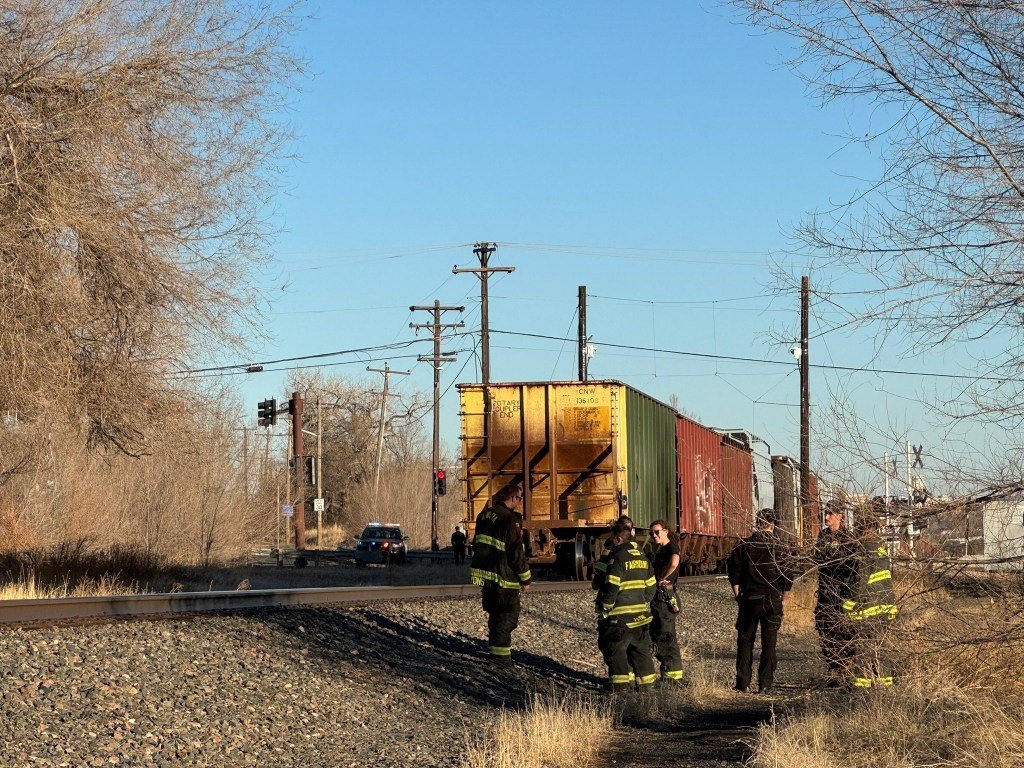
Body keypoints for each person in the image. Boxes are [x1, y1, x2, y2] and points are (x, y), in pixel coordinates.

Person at [726, 509, 794, 694]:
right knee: (769, 643)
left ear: (757, 523)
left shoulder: (744, 546)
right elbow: (787, 576)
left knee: (745, 640)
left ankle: (743, 683)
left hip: (750, 599)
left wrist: (737, 594)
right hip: (772, 599)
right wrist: (784, 598)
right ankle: (765, 684)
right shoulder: (780, 547)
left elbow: (734, 572)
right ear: (773, 525)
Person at [470, 482, 532, 666]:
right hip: (504, 577)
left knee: (495, 615)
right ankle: (500, 659)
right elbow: (515, 552)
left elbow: (477, 544)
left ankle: (497, 654)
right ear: (512, 498)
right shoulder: (508, 519)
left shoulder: (484, 515)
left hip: (486, 576)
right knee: (507, 617)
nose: (519, 502)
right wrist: (525, 577)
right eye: (519, 499)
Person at [593, 522, 658, 691]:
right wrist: (641, 600)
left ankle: (621, 690)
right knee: (641, 653)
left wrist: (606, 606)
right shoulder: (643, 558)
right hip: (640, 617)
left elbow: (611, 587)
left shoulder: (618, 558)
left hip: (619, 619)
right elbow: (651, 586)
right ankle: (648, 689)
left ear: (618, 538)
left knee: (617, 652)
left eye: (612, 539)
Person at [843, 517, 898, 689]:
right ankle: (885, 686)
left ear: (860, 530)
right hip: (886, 606)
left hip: (869, 608)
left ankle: (862, 687)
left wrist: (847, 606)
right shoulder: (881, 550)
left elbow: (859, 583)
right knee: (882, 649)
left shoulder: (864, 551)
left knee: (863, 649)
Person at [812, 501, 860, 684]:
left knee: (842, 634)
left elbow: (850, 567)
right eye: (825, 513)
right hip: (825, 594)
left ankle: (844, 671)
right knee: (824, 632)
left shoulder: (848, 539)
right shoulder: (823, 536)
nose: (826, 518)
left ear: (840, 515)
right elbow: (817, 558)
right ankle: (833, 668)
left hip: (841, 596)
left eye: (830, 514)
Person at [645, 520, 683, 682]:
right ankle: (667, 674)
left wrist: (663, 579)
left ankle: (673, 678)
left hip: (665, 598)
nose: (654, 535)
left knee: (666, 636)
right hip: (659, 597)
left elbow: (674, 563)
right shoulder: (661, 549)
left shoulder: (672, 547)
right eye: (651, 533)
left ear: (666, 531)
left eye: (657, 532)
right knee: (658, 633)